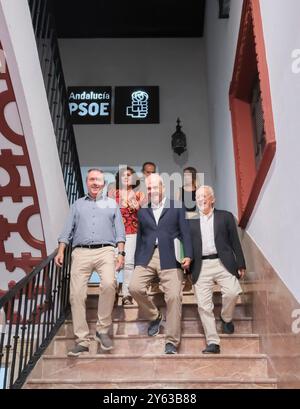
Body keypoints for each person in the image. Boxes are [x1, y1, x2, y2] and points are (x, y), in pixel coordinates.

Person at [54, 169, 126, 356]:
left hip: (106, 251)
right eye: (92, 179)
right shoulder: (77, 205)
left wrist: (121, 253)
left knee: (110, 284)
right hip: (81, 252)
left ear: (103, 183)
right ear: (87, 182)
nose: (95, 183)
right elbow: (66, 230)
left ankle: (102, 330)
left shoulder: (112, 204)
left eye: (98, 180)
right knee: (76, 295)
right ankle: (82, 340)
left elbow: (120, 231)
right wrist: (61, 250)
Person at [129, 173, 193, 354]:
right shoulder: (142, 211)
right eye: (149, 188)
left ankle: (171, 341)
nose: (152, 191)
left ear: (163, 187)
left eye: (155, 187)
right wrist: (136, 262)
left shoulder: (177, 206)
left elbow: (185, 233)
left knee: (173, 296)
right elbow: (141, 239)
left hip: (170, 256)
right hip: (147, 256)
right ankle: (155, 316)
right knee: (134, 287)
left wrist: (188, 255)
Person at [188, 185, 246, 354]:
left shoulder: (225, 217)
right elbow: (188, 245)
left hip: (223, 262)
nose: (201, 199)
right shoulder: (190, 221)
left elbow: (235, 241)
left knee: (233, 292)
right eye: (198, 197)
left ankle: (226, 318)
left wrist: (241, 263)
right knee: (204, 306)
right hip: (201, 265)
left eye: (204, 196)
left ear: (212, 199)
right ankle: (213, 342)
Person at [108, 166, 145, 305]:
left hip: (132, 232)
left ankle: (126, 295)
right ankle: (111, 292)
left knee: (129, 263)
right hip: (114, 234)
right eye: (123, 175)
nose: (126, 177)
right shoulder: (113, 193)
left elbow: (145, 216)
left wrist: (138, 208)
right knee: (114, 263)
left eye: (129, 175)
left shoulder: (139, 195)